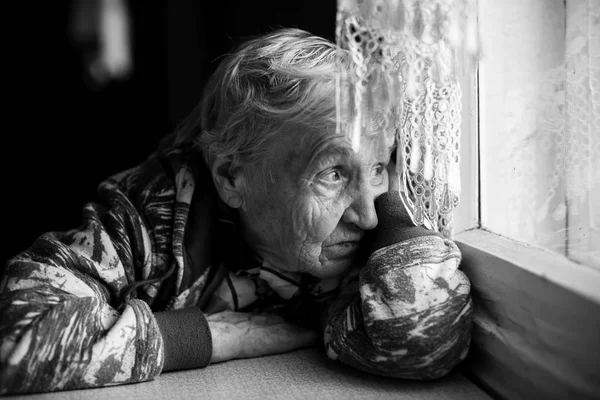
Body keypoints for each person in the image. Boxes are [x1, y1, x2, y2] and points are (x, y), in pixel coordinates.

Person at [0, 28, 473, 395]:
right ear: (231, 178)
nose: (365, 217)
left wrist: (398, 208)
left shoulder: (369, 236)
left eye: (377, 168)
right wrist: (216, 337)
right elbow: (18, 339)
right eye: (331, 174)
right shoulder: (153, 212)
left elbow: (420, 340)